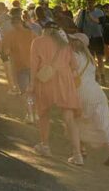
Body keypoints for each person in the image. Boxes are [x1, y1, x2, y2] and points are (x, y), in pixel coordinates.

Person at [30, 20, 82, 158]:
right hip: (65, 80)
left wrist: (31, 84)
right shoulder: (65, 44)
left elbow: (34, 65)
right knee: (69, 118)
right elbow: (75, 67)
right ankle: (77, 154)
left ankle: (45, 145)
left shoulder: (38, 41)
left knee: (44, 114)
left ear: (45, 30)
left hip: (46, 79)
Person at [69, 34, 109, 167]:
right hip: (98, 93)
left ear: (76, 42)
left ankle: (80, 151)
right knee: (104, 123)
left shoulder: (74, 57)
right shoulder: (90, 58)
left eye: (72, 40)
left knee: (77, 121)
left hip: (82, 92)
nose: (70, 41)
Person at [3, 8, 37, 123]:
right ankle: (34, 113)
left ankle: (30, 114)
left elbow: (6, 52)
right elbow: (38, 47)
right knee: (32, 91)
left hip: (20, 66)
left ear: (12, 24)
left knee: (25, 92)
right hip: (33, 66)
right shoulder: (31, 33)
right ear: (22, 22)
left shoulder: (10, 35)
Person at [78, 0, 106, 80]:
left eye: (91, 2)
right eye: (88, 2)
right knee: (91, 57)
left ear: (94, 3)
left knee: (100, 57)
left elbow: (102, 23)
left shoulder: (100, 12)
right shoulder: (83, 13)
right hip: (88, 38)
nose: (90, 4)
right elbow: (80, 25)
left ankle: (102, 74)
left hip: (98, 36)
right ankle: (96, 74)